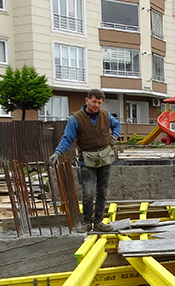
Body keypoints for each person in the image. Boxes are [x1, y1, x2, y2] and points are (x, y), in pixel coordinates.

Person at [49, 89, 121, 233]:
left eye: (99, 103)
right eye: (94, 102)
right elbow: (67, 138)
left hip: (105, 158)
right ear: (87, 100)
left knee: (102, 192)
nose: (96, 105)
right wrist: (57, 153)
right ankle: (87, 222)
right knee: (88, 193)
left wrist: (114, 137)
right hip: (87, 160)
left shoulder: (105, 115)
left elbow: (117, 125)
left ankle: (98, 221)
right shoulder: (76, 118)